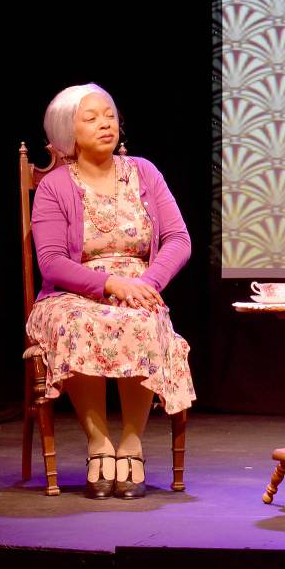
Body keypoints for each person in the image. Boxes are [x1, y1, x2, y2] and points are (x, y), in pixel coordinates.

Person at [26, 83, 195, 499]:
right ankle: (98, 443)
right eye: (91, 117)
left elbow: (178, 239)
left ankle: (132, 443)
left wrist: (146, 284)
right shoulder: (54, 186)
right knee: (79, 321)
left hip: (139, 288)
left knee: (140, 318)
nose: (105, 123)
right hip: (72, 292)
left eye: (109, 114)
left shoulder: (145, 172)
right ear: (68, 131)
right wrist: (109, 284)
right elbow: (49, 261)